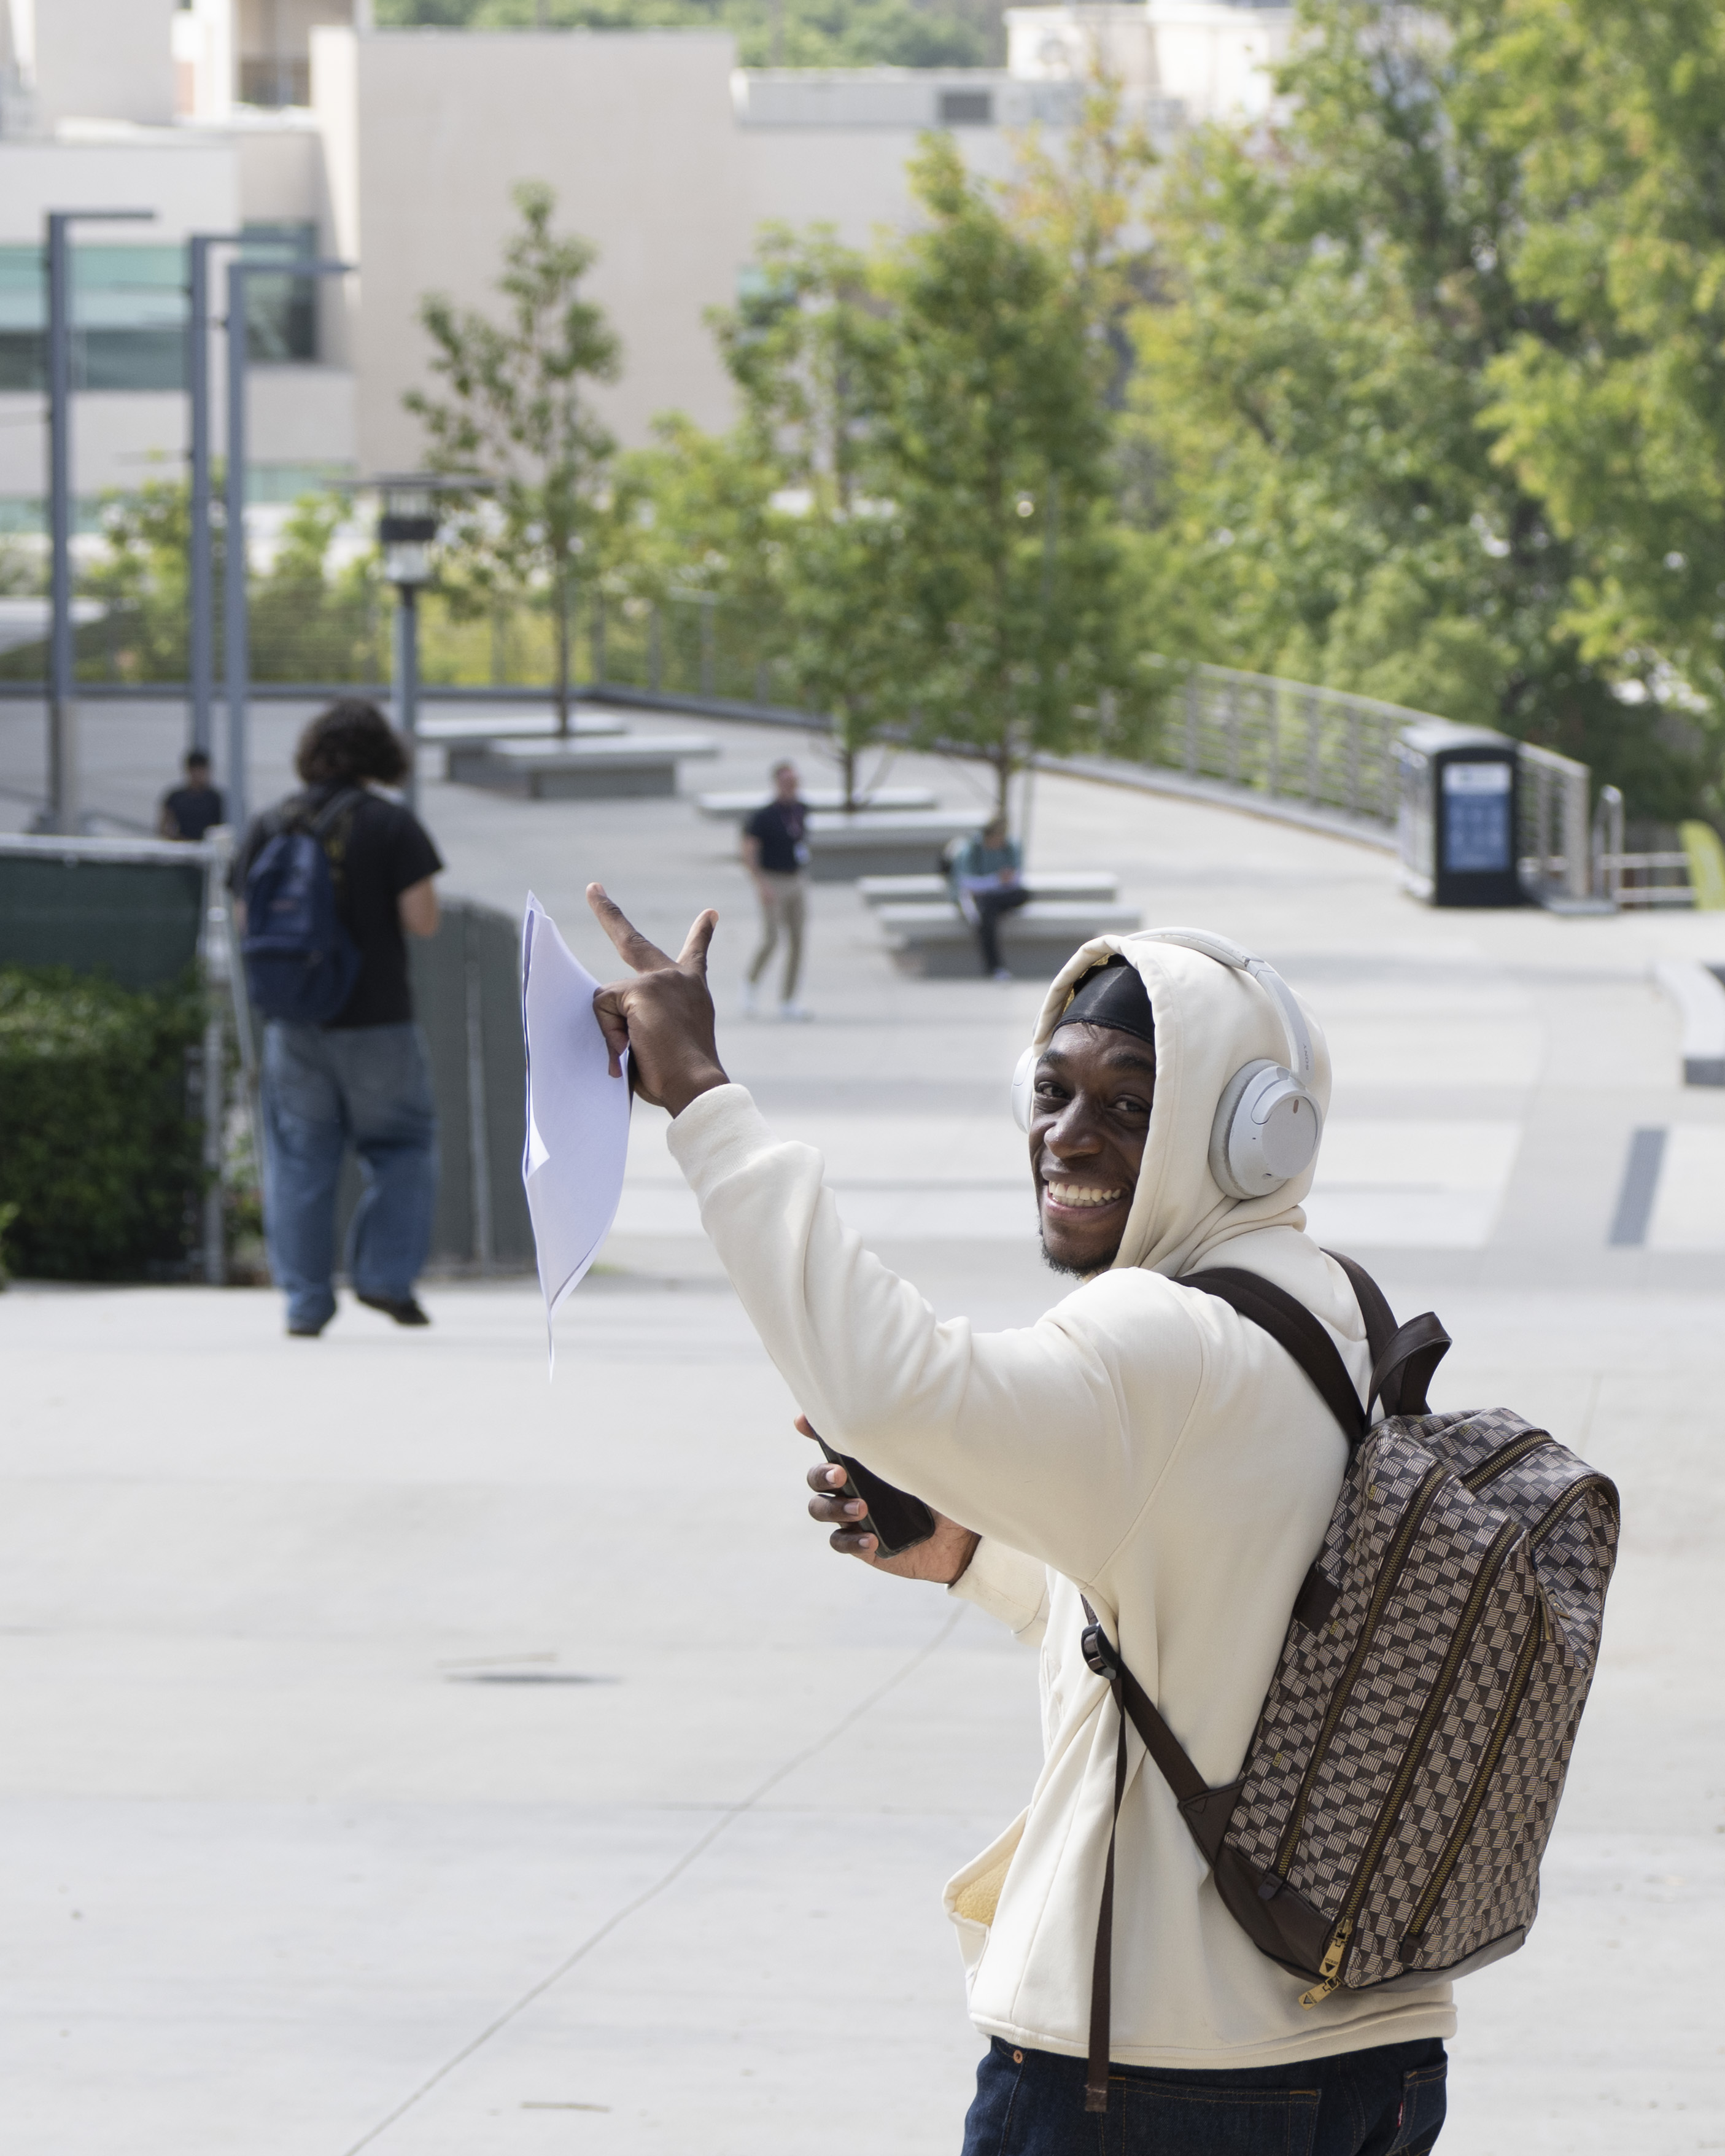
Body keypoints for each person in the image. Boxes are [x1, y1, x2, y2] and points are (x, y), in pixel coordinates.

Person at [582, 891, 1453, 2156]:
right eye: (1050, 1091)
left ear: (1252, 1134)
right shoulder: (1330, 1311)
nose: (1069, 1135)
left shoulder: (1160, 1335)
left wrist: (707, 1098)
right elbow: (1214, 1609)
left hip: (1154, 2076)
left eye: (1129, 1104)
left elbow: (887, 1386)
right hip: (1365, 2060)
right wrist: (969, 1554)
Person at [231, 701, 443, 1340]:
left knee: (298, 1159)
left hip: (293, 1022)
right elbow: (423, 919)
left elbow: (248, 923)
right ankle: (382, 1275)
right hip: (376, 1019)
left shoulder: (269, 823)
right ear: (382, 755)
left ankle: (304, 1303)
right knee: (401, 1145)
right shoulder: (389, 824)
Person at [740, 759, 811, 1020]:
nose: (791, 787)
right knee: (771, 939)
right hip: (772, 879)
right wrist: (760, 883)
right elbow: (748, 851)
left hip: (796, 878)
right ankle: (750, 984)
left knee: (798, 941)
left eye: (794, 782)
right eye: (786, 782)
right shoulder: (763, 816)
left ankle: (789, 999)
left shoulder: (802, 810)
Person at [948, 813, 1029, 979]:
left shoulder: (1011, 847)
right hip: (973, 898)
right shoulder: (971, 850)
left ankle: (996, 968)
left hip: (999, 896)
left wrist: (999, 883)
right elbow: (966, 884)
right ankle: (995, 967)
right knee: (986, 915)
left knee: (1022, 895)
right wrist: (997, 880)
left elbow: (1016, 879)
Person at [158, 748, 225, 841]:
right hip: (181, 846)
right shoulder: (176, 797)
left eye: (201, 771)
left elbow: (221, 829)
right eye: (195, 770)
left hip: (207, 847)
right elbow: (165, 825)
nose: (198, 775)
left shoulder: (215, 798)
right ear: (189, 771)